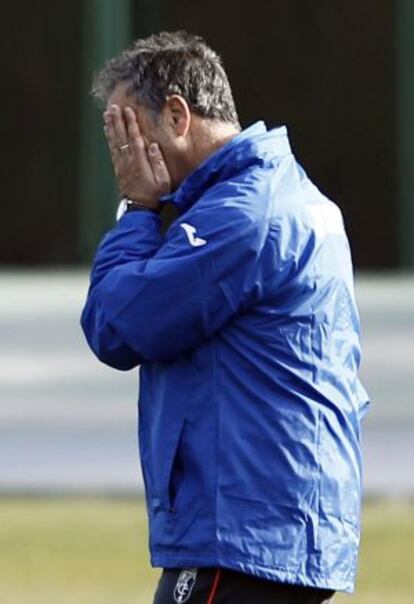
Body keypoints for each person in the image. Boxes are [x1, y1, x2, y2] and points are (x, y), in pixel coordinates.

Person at [80, 30, 370, 604]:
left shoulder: (242, 213)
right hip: (280, 529)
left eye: (127, 130)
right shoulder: (285, 196)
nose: (123, 155)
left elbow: (117, 325)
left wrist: (137, 208)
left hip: (242, 536)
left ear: (178, 115)